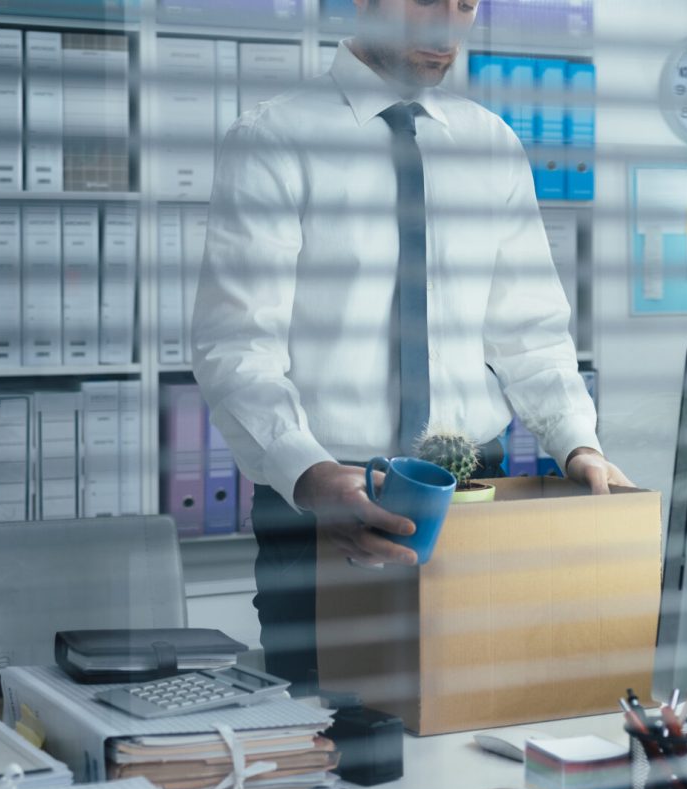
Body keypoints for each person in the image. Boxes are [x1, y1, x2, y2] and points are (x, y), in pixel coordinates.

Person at [189, 0, 630, 694]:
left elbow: (531, 331)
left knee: (473, 714)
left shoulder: (491, 146)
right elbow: (236, 346)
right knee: (329, 740)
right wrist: (309, 476)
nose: (446, 27)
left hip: (472, 494)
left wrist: (579, 444)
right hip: (325, 494)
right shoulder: (274, 139)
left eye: (465, 4)